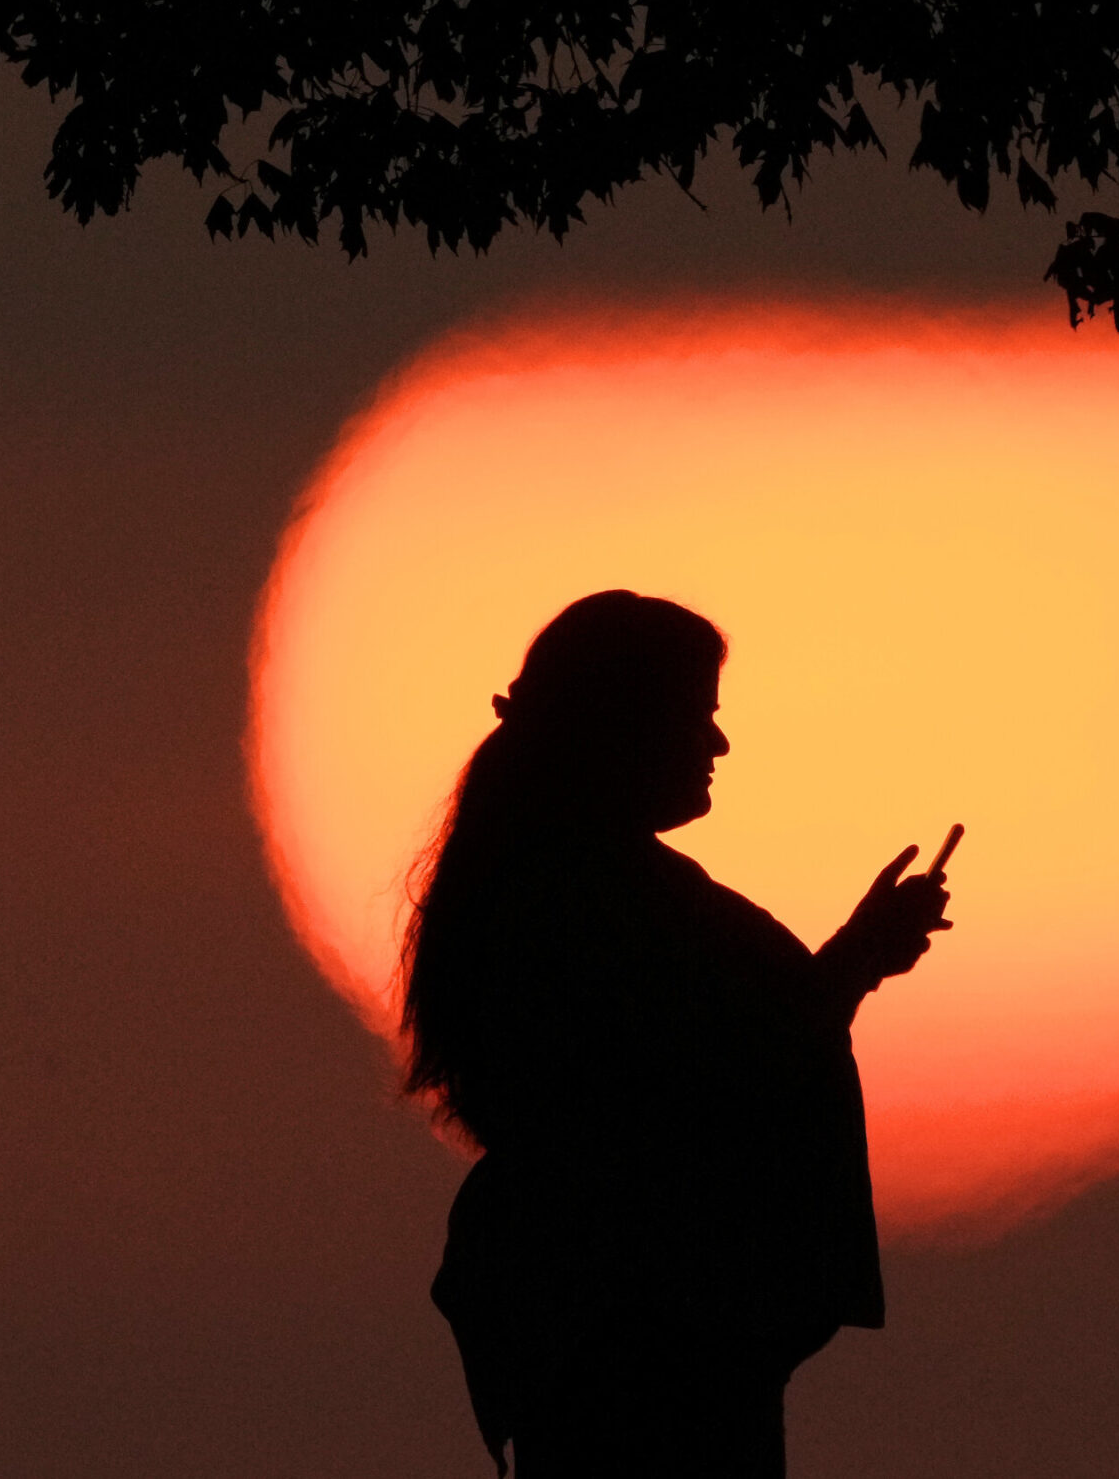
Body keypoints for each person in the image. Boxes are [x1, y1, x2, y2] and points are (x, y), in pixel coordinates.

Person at [403, 590, 952, 1478]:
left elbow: (715, 1056)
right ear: (627, 724)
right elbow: (685, 1089)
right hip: (642, 1345)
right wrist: (847, 967)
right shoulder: (579, 904)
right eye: (699, 716)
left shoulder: (568, 887)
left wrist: (852, 961)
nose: (718, 744)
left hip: (655, 1333)